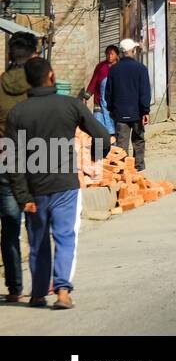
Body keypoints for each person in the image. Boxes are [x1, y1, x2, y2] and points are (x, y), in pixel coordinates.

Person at [3, 56, 113, 308]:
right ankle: (63, 292)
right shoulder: (70, 105)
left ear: (28, 81)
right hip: (65, 185)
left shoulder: (17, 113)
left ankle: (39, 293)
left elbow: (12, 159)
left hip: (34, 189)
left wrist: (23, 197)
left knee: (37, 240)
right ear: (51, 76)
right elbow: (101, 136)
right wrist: (98, 156)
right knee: (65, 236)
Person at [0, 33, 37, 304]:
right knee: (38, 224)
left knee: (10, 226)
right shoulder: (38, 86)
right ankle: (43, 284)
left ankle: (14, 288)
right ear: (34, 54)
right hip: (38, 160)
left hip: (4, 160)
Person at [105, 38, 151, 172]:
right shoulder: (141, 69)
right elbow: (145, 92)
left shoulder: (113, 70)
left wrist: (111, 109)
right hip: (137, 113)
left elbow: (109, 93)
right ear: (133, 51)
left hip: (120, 114)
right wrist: (145, 111)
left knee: (121, 143)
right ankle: (138, 167)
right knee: (138, 141)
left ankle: (122, 169)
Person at [82, 45, 119, 134]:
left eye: (112, 54)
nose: (109, 56)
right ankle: (98, 148)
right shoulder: (101, 67)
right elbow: (93, 82)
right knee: (98, 129)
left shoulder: (119, 67)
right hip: (99, 102)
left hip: (114, 105)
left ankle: (112, 147)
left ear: (117, 55)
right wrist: (86, 96)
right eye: (107, 54)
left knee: (113, 129)